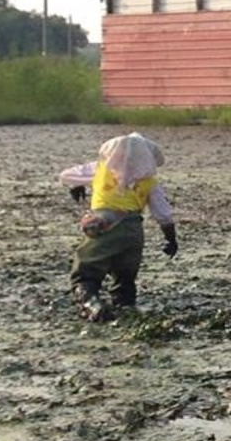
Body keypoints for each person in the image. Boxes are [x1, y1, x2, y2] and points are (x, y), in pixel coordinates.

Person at [59, 132, 178, 322]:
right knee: (125, 281)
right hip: (133, 232)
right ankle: (126, 311)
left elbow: (67, 175)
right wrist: (171, 240)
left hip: (105, 225)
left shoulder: (100, 169)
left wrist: (76, 185)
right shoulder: (149, 181)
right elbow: (163, 214)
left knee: (85, 273)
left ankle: (93, 306)